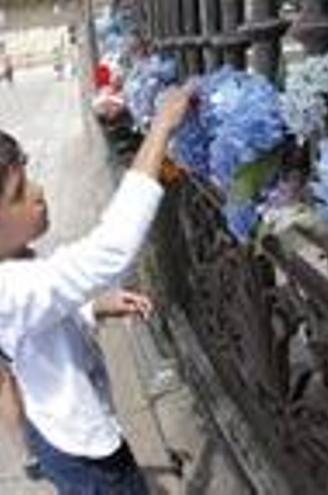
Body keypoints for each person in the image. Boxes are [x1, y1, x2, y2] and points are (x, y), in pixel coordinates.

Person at [0, 81, 193, 493]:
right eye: (18, 193)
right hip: (80, 452)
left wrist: (94, 308)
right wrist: (160, 129)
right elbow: (110, 249)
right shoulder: (8, 289)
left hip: (56, 427)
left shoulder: (15, 271)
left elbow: (35, 326)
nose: (38, 193)